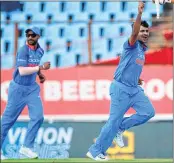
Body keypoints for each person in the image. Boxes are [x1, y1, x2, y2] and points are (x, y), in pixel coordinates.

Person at [86, 2, 155, 161]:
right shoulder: (131, 45)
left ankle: (121, 128)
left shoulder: (142, 50)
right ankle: (95, 151)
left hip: (134, 89)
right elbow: (134, 32)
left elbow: (130, 66)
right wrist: (139, 14)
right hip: (121, 89)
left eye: (146, 31)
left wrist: (137, 79)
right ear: (135, 33)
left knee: (148, 112)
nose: (144, 33)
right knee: (113, 121)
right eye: (141, 31)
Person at [1, 27, 51, 159]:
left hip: (32, 89)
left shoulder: (40, 50)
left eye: (33, 35)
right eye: (28, 35)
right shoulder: (23, 50)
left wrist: (39, 74)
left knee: (38, 117)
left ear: (38, 36)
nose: (29, 37)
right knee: (7, 121)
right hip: (18, 88)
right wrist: (41, 68)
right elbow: (22, 71)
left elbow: (32, 65)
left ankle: (27, 147)